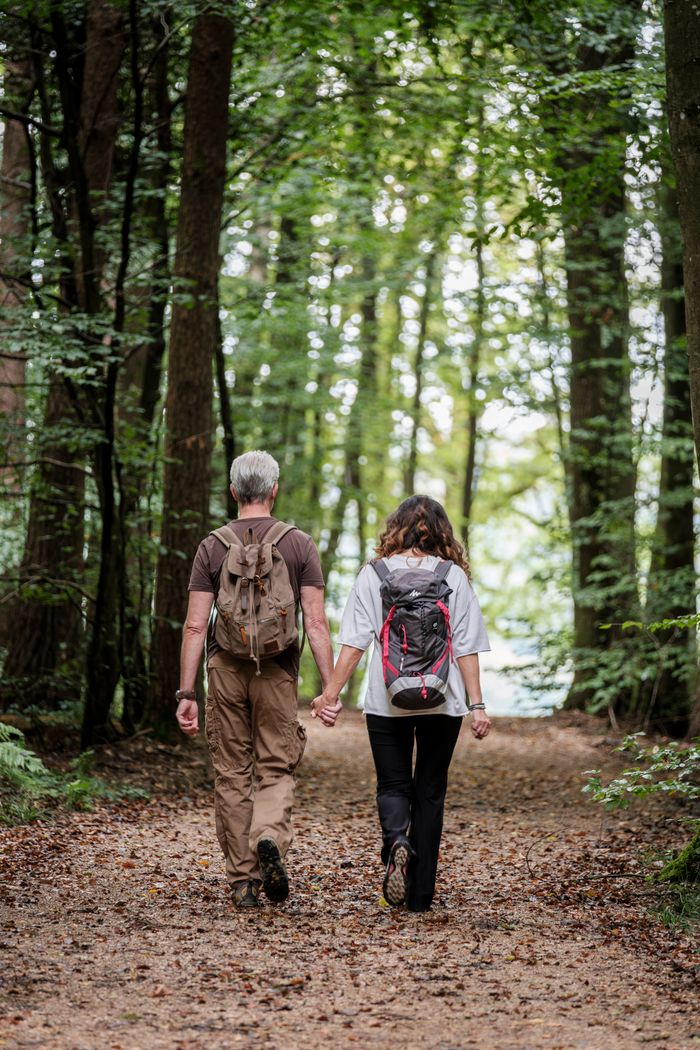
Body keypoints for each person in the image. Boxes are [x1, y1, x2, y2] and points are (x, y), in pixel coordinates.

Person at [311, 495, 491, 912]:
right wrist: (477, 705)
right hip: (443, 701)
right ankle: (420, 897)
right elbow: (466, 646)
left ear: (396, 528)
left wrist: (330, 695)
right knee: (429, 792)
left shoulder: (373, 575)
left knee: (393, 784)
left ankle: (397, 841)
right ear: (444, 533)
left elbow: (355, 643)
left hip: (386, 699)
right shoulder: (454, 578)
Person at [176, 450, 336, 909]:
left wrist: (187, 693)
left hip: (225, 669)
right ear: (273, 491)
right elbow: (316, 621)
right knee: (275, 767)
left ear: (233, 492)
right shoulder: (298, 544)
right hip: (278, 670)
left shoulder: (212, 545)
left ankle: (243, 881)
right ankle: (267, 836)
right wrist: (328, 690)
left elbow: (194, 625)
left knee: (231, 772)